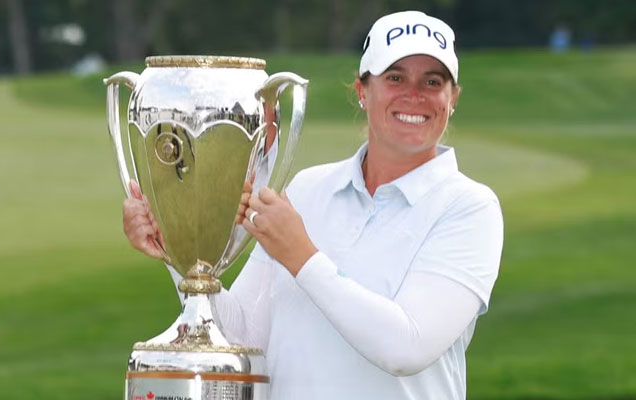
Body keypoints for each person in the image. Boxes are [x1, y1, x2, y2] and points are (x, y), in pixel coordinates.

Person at [123, 10, 503, 400]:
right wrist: (178, 242)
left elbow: (406, 347)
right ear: (362, 90)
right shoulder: (308, 190)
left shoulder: (470, 208)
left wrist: (301, 255)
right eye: (395, 78)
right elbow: (241, 337)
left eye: (432, 82)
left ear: (452, 98)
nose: (414, 94)